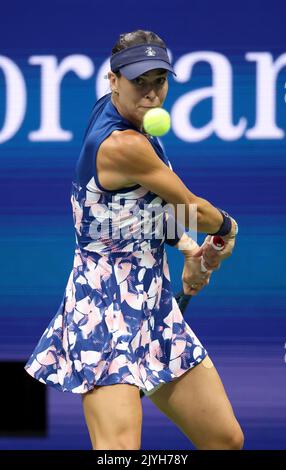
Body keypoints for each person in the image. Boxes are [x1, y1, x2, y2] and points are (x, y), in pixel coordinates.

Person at [24, 30, 243, 451]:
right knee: (120, 453)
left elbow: (144, 206)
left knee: (225, 440)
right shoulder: (124, 144)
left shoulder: (123, 115)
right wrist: (228, 229)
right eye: (139, 81)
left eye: (159, 81)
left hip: (154, 302)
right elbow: (194, 207)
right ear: (113, 81)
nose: (150, 93)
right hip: (104, 307)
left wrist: (186, 252)